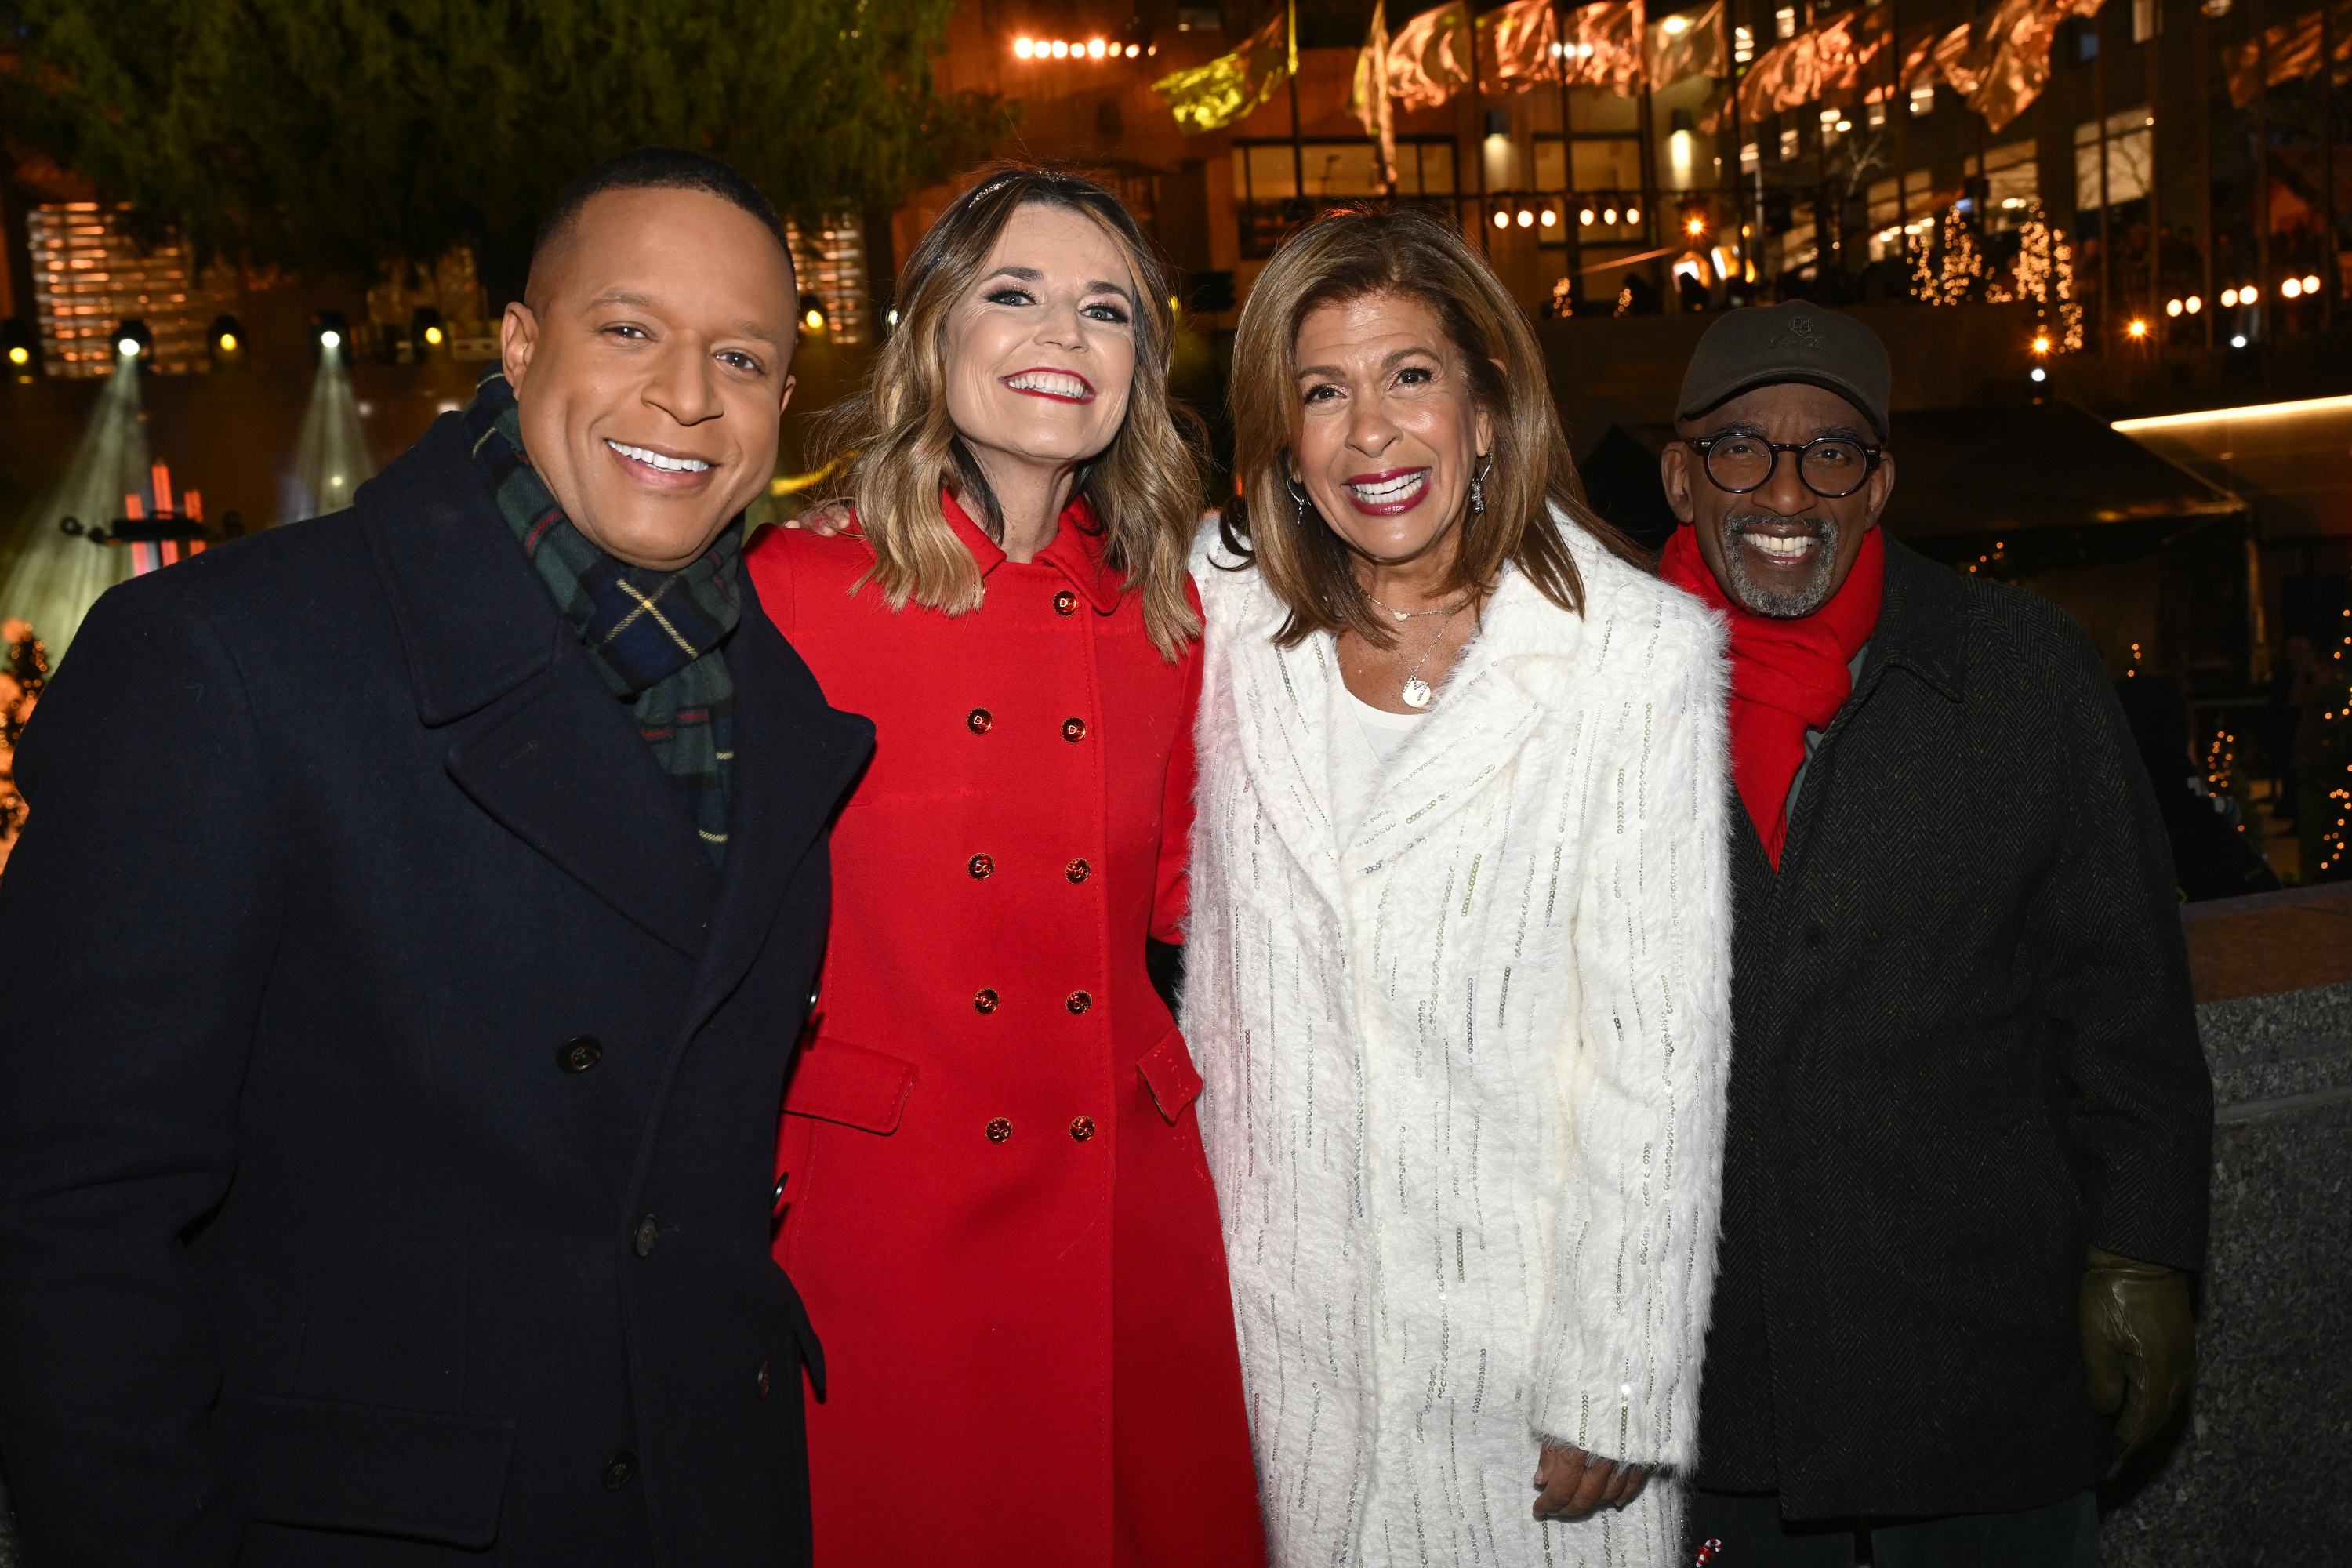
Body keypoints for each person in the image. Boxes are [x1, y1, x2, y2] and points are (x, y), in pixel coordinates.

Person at [0, 148, 873, 1566]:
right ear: (520, 344)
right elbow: (69, 1217)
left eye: (745, 355)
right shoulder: (228, 658)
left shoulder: (779, 705)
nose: (690, 395)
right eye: (630, 329)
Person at [1184, 205, 1734, 1566]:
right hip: (1274, 1350)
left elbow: (1659, 1054)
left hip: (1531, 1371)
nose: (1371, 433)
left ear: (1488, 408)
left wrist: (1620, 1371)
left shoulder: (1635, 655)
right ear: (1283, 441)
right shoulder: (1220, 614)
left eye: (1410, 377)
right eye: (1324, 392)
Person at [743, 167, 1266, 1567]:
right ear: (930, 332)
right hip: (895, 1222)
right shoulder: (795, 591)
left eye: (1106, 311)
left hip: (1128, 1217)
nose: (1063, 334)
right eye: (1014, 293)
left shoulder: (1172, 612)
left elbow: (1207, 910)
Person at [1653, 303, 2213, 1566]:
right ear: (1682, 477)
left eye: (1832, 452)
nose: (1785, 487)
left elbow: (2126, 1001)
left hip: (1978, 1376)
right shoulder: (1580, 690)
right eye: (1741, 447)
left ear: (1880, 482)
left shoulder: (2021, 670)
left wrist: (2148, 1249)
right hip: (1710, 1402)